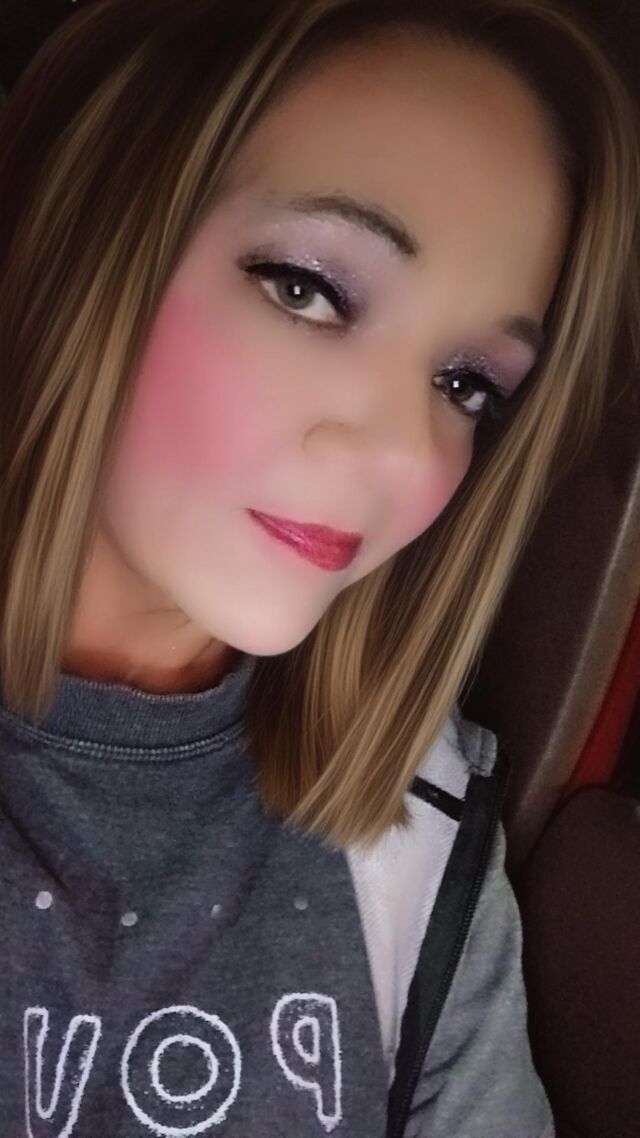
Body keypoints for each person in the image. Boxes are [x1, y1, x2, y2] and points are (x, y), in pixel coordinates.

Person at [0, 0, 638, 1134]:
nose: (405, 453)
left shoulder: (419, 831)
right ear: (92, 233)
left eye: (465, 385)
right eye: (305, 287)